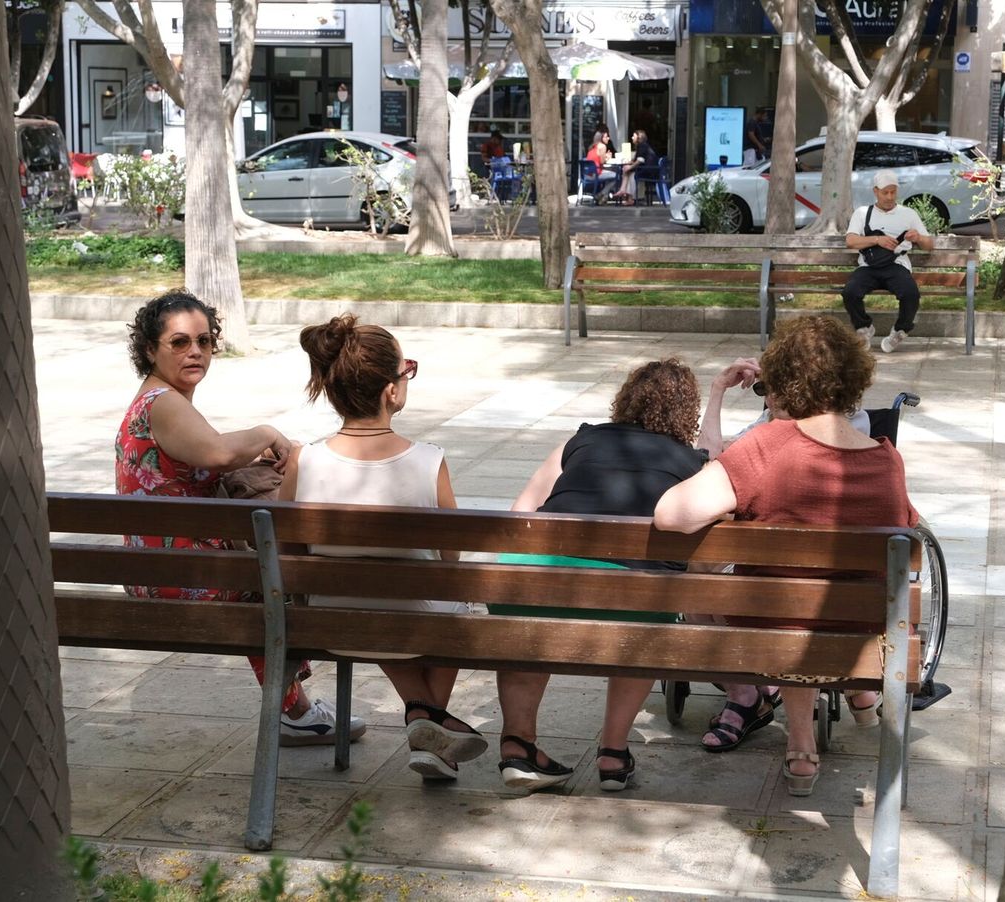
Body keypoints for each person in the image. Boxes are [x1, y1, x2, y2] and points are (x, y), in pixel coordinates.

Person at [655, 316, 919, 797]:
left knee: (778, 604)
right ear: (853, 381)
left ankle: (800, 743)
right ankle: (851, 705)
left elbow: (670, 515)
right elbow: (907, 529)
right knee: (810, 603)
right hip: (864, 636)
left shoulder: (766, 445)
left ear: (782, 382)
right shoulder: (887, 458)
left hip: (772, 633)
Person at [115, 290, 366, 747]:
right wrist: (269, 433)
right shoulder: (164, 403)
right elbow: (217, 452)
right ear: (150, 349)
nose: (195, 351)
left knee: (266, 573)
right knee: (283, 577)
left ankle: (295, 708)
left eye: (204, 341)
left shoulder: (154, 399)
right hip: (177, 573)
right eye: (179, 342)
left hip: (153, 566)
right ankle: (295, 710)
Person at [277, 314, 484, 782]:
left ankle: (426, 723)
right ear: (392, 391)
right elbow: (450, 562)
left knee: (388, 605)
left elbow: (289, 553)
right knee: (464, 607)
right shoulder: (430, 462)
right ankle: (426, 718)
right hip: (412, 617)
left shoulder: (303, 460)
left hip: (326, 618)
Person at [492, 360, 709, 792]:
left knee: (528, 623)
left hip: (532, 583)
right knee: (644, 618)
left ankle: (517, 746)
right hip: (632, 599)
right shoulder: (691, 461)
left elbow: (521, 514)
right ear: (687, 414)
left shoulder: (582, 438)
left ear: (625, 399)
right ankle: (612, 754)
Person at [842, 169, 936, 354]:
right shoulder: (862, 213)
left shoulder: (908, 213)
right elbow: (851, 241)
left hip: (897, 265)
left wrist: (917, 237)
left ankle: (901, 330)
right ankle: (863, 328)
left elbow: (929, 245)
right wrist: (877, 240)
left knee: (911, 294)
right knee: (850, 292)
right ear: (875, 191)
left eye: (893, 192)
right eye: (885, 192)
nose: (889, 196)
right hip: (869, 266)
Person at [609, 129, 656, 205]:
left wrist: (630, 167)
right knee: (627, 169)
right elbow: (638, 159)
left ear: (639, 137)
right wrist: (629, 163)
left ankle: (626, 194)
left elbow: (640, 160)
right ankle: (624, 191)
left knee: (630, 173)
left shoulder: (642, 145)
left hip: (649, 171)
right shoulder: (642, 146)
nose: (632, 137)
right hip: (647, 169)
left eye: (633, 136)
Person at [585, 129, 620, 204]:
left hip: (588, 174)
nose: (608, 138)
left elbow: (596, 159)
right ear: (601, 138)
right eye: (606, 137)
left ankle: (604, 198)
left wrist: (605, 157)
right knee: (617, 175)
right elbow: (601, 162)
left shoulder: (592, 146)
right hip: (596, 173)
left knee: (610, 176)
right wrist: (607, 157)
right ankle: (601, 194)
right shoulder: (602, 146)